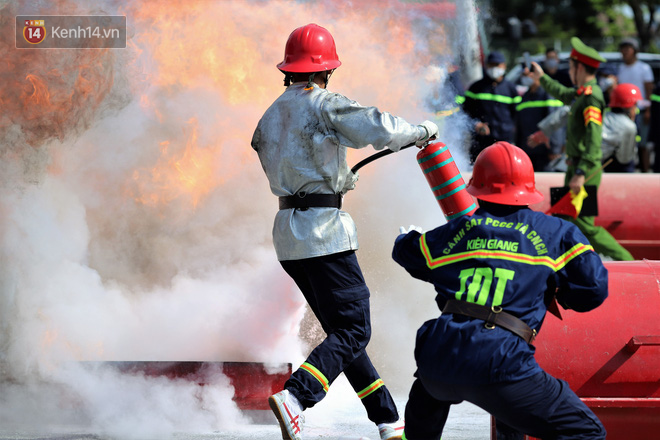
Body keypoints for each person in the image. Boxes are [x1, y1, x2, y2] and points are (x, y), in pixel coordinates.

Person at [251, 23, 438, 440]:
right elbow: (380, 128)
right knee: (355, 329)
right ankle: (296, 397)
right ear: (326, 69)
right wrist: (422, 131)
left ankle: (388, 420)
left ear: (289, 68)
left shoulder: (268, 116)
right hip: (324, 232)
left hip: (289, 235)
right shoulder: (323, 104)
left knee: (343, 333)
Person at [392, 141, 608, 440]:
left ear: (477, 188)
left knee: (426, 405)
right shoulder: (557, 233)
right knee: (587, 432)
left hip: (439, 357)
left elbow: (407, 253)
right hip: (501, 360)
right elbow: (594, 290)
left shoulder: (458, 231)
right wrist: (561, 292)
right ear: (528, 188)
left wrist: (408, 238)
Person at [528, 37, 635, 261]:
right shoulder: (582, 93)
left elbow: (594, 139)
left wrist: (581, 173)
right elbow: (563, 94)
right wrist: (542, 78)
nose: (569, 72)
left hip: (584, 171)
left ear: (579, 67)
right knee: (562, 218)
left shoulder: (592, 97)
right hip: (574, 168)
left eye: (571, 67)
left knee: (586, 226)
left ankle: (629, 262)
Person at [463, 51, 520, 163]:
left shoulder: (511, 89)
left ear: (504, 66)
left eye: (497, 65)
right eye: (491, 65)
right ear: (486, 65)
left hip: (504, 140)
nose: (494, 68)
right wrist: (476, 124)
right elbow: (466, 111)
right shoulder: (476, 87)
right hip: (481, 141)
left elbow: (517, 114)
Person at [617, 37, 654, 172]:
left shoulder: (644, 68)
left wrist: (649, 110)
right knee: (626, 144)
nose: (625, 51)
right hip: (623, 113)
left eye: (628, 48)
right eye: (623, 49)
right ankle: (627, 170)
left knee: (642, 144)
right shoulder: (620, 68)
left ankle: (645, 172)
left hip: (641, 111)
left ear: (634, 51)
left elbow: (649, 89)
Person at [516, 70, 564, 171]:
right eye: (523, 75)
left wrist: (554, 149)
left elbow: (554, 122)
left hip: (545, 152)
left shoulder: (548, 95)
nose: (525, 78)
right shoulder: (524, 97)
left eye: (527, 74)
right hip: (527, 151)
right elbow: (519, 125)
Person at [602, 83, 642, 172]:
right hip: (620, 167)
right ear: (629, 107)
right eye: (635, 105)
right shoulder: (629, 126)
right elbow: (625, 158)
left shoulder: (604, 116)